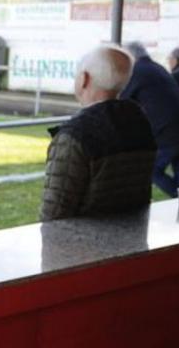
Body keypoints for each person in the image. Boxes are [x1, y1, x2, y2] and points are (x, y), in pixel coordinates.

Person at [40, 45, 156, 221]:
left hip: (83, 244)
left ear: (84, 79)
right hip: (133, 238)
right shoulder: (139, 122)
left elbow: (54, 214)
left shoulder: (75, 136)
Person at [120, 42, 179, 197]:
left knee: (150, 169)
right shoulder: (155, 67)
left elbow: (121, 99)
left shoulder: (137, 70)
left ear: (130, 57)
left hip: (170, 129)